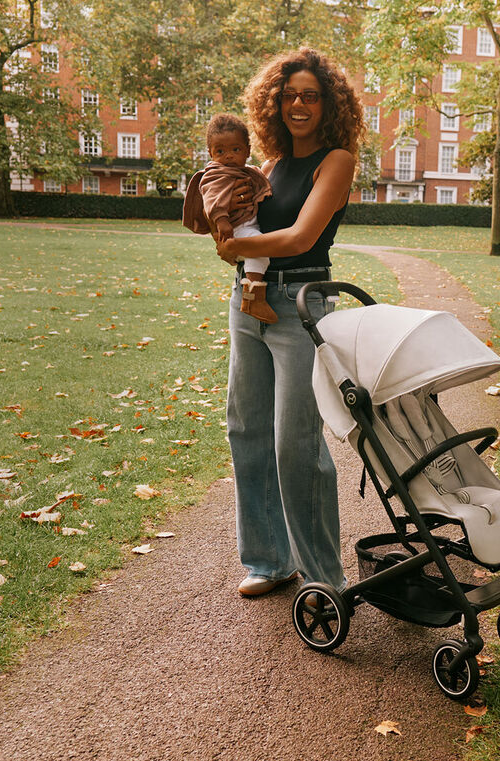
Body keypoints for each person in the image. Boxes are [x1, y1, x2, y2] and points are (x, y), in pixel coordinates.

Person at [213, 47, 362, 598]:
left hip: (300, 304)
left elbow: (301, 236)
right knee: (246, 428)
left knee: (295, 443)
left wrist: (236, 245)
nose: (299, 104)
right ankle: (269, 561)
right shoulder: (268, 166)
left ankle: (325, 577)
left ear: (329, 105)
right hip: (247, 300)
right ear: (275, 103)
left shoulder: (337, 160)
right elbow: (237, 213)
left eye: (311, 96)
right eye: (290, 95)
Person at [181, 114, 277, 323]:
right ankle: (253, 297)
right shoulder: (216, 173)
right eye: (220, 151)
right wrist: (221, 220)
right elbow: (212, 198)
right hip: (235, 228)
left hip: (246, 224)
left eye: (236, 150)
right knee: (259, 251)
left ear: (248, 151)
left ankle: (252, 293)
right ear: (210, 153)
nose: (228, 157)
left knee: (257, 251)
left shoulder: (248, 171)